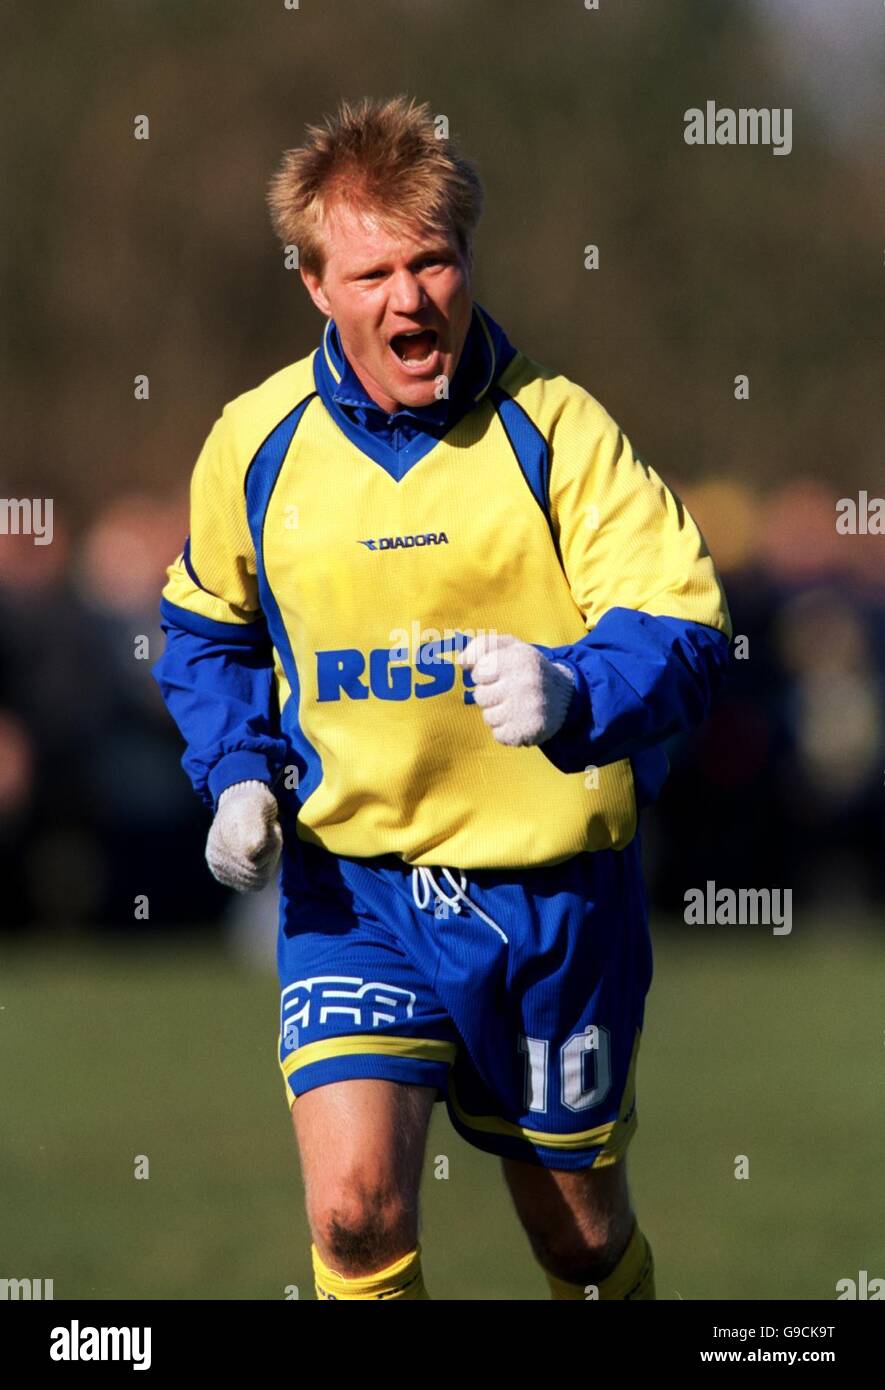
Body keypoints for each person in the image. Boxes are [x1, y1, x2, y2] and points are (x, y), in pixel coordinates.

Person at [153, 95, 732, 1301]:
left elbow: (690, 629)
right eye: (372, 272)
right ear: (315, 283)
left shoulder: (560, 430)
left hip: (554, 906)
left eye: (434, 261)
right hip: (354, 889)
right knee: (356, 1216)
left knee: (575, 1240)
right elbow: (204, 629)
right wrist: (237, 772)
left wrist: (577, 688)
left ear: (467, 259)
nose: (409, 300)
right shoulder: (253, 444)